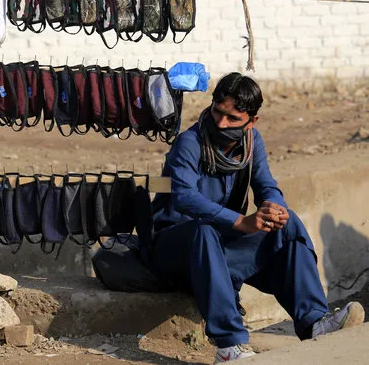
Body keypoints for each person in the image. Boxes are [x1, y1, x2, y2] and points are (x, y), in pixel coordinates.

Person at [138, 73, 365, 363]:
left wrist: (274, 207)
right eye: (218, 113)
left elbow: (266, 185)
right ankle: (230, 346)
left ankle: (314, 322)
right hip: (175, 246)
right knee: (204, 232)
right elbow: (184, 197)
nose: (221, 123)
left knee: (288, 224)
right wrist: (241, 222)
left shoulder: (252, 141)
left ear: (251, 121)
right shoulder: (189, 143)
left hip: (218, 245)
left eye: (232, 118)